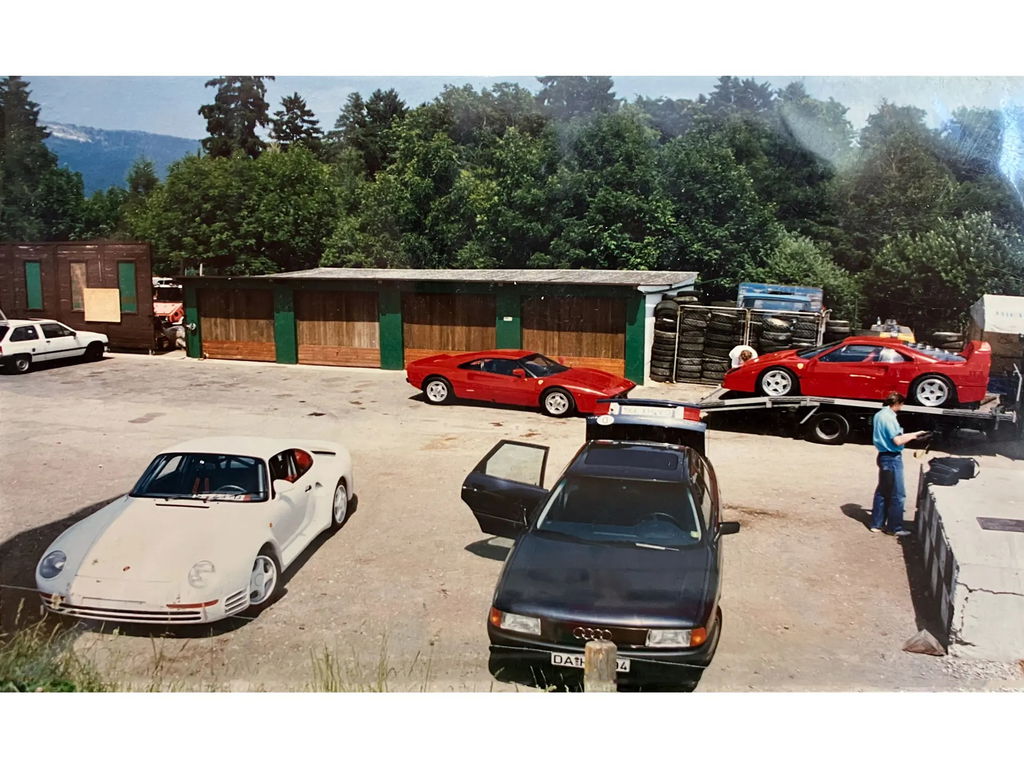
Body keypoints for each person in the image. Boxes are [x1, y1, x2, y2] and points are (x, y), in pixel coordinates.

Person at [870, 392, 927, 536]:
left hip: (883, 455)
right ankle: (894, 527)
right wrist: (914, 436)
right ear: (897, 403)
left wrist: (914, 433)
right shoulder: (890, 418)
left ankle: (876, 524)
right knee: (898, 493)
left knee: (883, 491)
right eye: (901, 404)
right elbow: (897, 440)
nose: (902, 407)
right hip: (892, 458)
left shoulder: (879, 415)